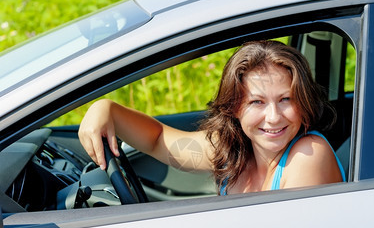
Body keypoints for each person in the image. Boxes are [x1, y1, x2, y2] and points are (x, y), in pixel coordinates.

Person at [78, 40, 346, 196]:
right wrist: (105, 109)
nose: (273, 117)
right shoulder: (233, 149)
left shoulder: (309, 155)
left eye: (286, 99)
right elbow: (158, 140)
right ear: (235, 107)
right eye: (257, 102)